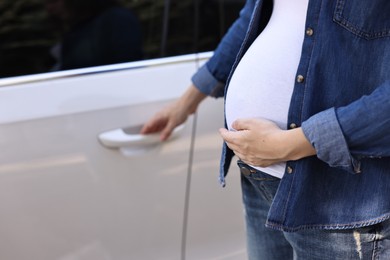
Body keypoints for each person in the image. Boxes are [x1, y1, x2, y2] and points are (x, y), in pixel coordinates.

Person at [141, 0, 390, 259]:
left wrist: (290, 144)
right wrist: (186, 102)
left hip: (335, 193)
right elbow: (254, 17)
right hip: (260, 175)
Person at [45, 0, 143, 71]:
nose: (49, 8)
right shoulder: (77, 31)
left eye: (54, 1)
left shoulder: (117, 20)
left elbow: (128, 71)